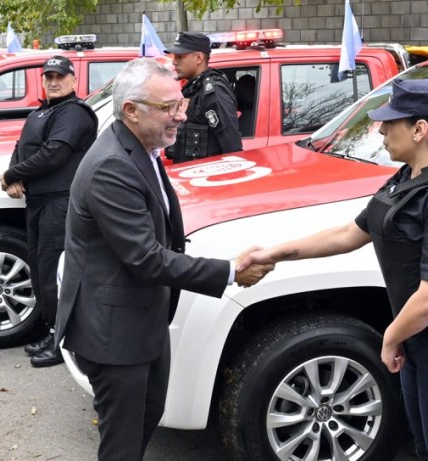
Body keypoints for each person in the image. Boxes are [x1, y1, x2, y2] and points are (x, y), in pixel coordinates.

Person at [239, 79, 428, 461]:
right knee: (427, 449)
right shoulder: (407, 178)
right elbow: (349, 234)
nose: (379, 129)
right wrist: (275, 253)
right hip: (422, 341)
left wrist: (391, 337)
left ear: (419, 130)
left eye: (389, 122)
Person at [54, 58, 273, 461]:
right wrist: (229, 271)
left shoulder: (141, 147)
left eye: (181, 102)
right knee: (123, 445)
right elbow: (147, 259)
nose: (182, 114)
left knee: (146, 419)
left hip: (140, 321)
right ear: (131, 111)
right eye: (169, 107)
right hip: (113, 335)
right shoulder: (111, 167)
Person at [0, 55, 98, 368]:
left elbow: (54, 154)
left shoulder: (74, 113)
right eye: (48, 77)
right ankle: (52, 331)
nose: (53, 81)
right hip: (39, 204)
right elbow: (22, 146)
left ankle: (63, 343)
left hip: (61, 203)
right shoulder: (42, 111)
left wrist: (15, 175)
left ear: (73, 80)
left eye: (60, 76)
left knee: (58, 274)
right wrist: (13, 172)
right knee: (42, 271)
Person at [164, 31, 241, 163]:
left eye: (180, 57)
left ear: (199, 58)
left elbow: (232, 147)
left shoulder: (214, 93)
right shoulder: (193, 87)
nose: (174, 62)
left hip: (208, 177)